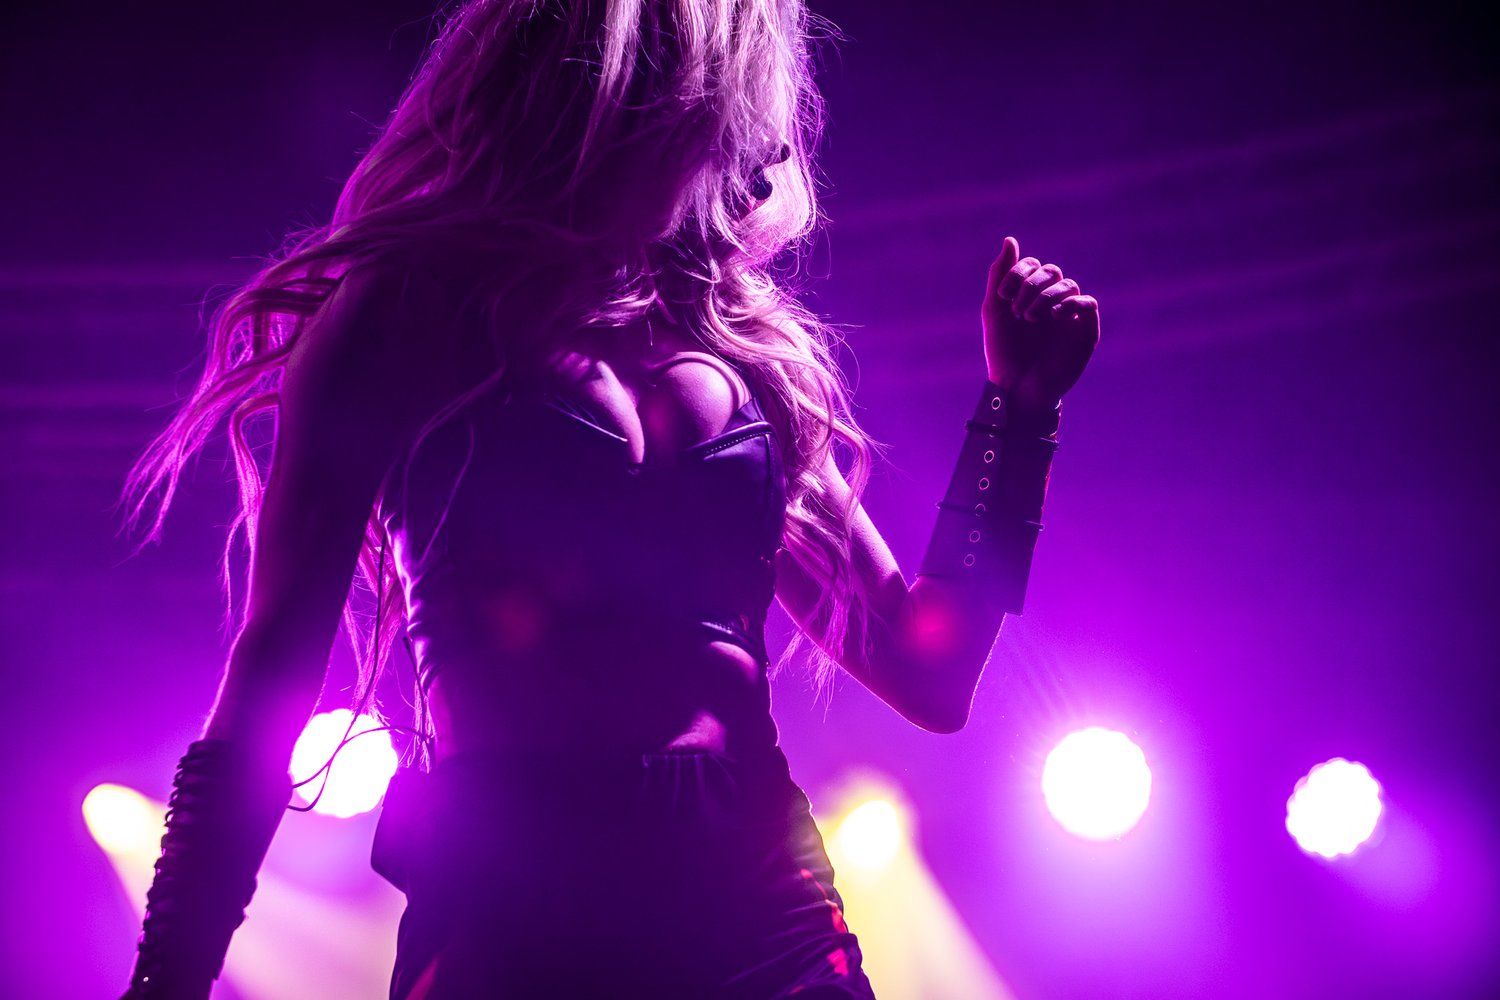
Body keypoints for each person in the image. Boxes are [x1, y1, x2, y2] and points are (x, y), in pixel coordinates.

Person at [118, 1, 1100, 996]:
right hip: (513, 917)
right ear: (663, 77)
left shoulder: (742, 350)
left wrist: (1018, 417)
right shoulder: (407, 312)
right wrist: (164, 985)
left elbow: (929, 670)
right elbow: (270, 675)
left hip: (766, 921)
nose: (773, 132)